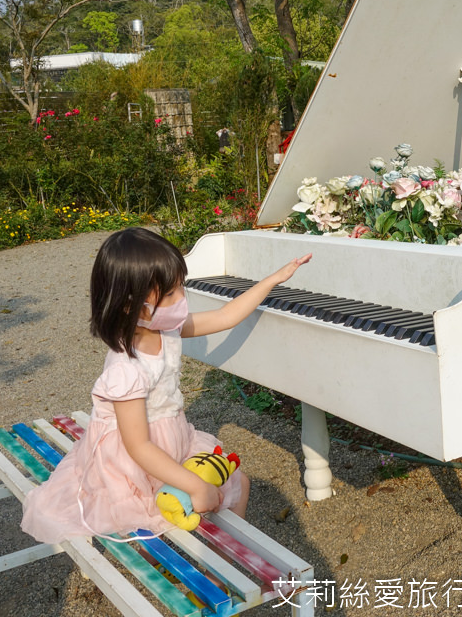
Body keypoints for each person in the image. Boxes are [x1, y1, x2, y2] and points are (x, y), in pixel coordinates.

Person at [21, 227, 311, 544]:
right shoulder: (126, 369)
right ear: (130, 305)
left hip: (172, 439)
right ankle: (204, 565)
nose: (182, 300)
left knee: (237, 481)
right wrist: (195, 485)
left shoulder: (165, 328)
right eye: (170, 294)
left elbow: (226, 316)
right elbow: (138, 448)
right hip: (132, 464)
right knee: (170, 512)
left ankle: (229, 554)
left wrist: (272, 280)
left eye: (180, 289)